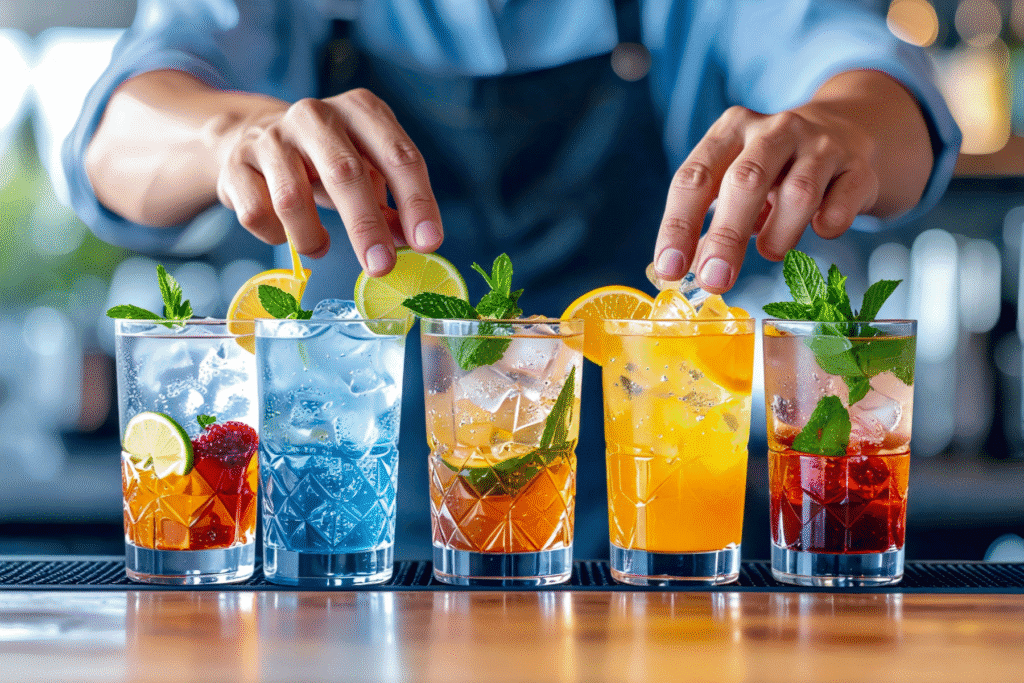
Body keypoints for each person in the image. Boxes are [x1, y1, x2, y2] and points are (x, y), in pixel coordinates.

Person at [64, 0, 961, 560]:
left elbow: (892, 104)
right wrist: (227, 134)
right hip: (342, 551)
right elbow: (110, 146)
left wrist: (834, 128)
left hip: (652, 549)